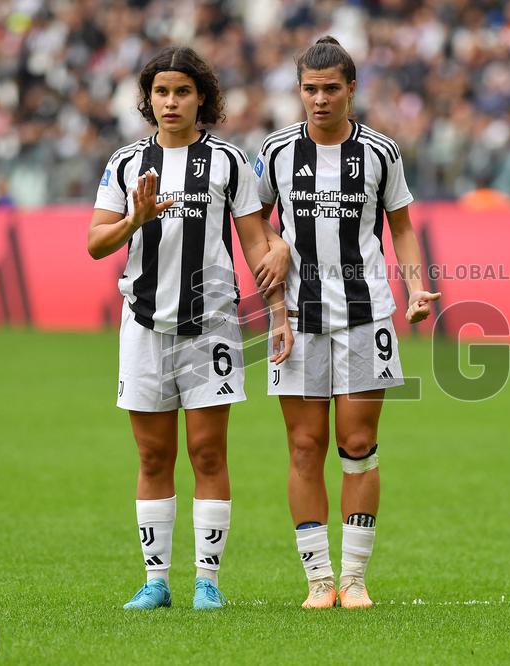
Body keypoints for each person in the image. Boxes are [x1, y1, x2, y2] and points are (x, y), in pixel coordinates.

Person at [87, 46, 293, 610]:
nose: (170, 102)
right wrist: (136, 219)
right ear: (148, 99)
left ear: (202, 96)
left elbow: (256, 243)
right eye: (161, 92)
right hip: (144, 326)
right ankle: (155, 582)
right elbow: (94, 243)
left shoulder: (227, 160)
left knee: (207, 453)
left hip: (213, 328)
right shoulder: (126, 163)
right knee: (152, 458)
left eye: (181, 91)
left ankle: (207, 582)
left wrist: (277, 311)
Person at [252, 37, 440, 609]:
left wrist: (415, 287)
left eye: (331, 88)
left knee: (357, 443)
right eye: (310, 89)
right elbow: (252, 222)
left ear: (351, 89)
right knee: (305, 448)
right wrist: (277, 243)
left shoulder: (381, 152)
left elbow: (401, 227)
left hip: (366, 312)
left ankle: (354, 578)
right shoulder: (278, 152)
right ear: (299, 90)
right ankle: (318, 580)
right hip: (298, 318)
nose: (320, 99)